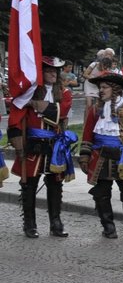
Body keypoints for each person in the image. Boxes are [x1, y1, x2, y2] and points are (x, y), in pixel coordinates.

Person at [7, 56, 75, 238]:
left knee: (55, 184)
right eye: (49, 71)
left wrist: (33, 104)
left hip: (54, 145)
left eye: (55, 71)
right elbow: (16, 115)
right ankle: (29, 224)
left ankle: (56, 223)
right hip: (33, 144)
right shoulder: (30, 92)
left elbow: (60, 112)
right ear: (41, 73)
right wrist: (15, 137)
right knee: (29, 185)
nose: (53, 74)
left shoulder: (65, 93)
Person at [79, 71, 123, 238]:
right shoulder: (95, 110)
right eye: (100, 87)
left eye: (104, 87)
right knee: (101, 193)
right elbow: (88, 134)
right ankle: (108, 226)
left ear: (115, 89)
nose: (101, 91)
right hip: (100, 157)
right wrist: (84, 156)